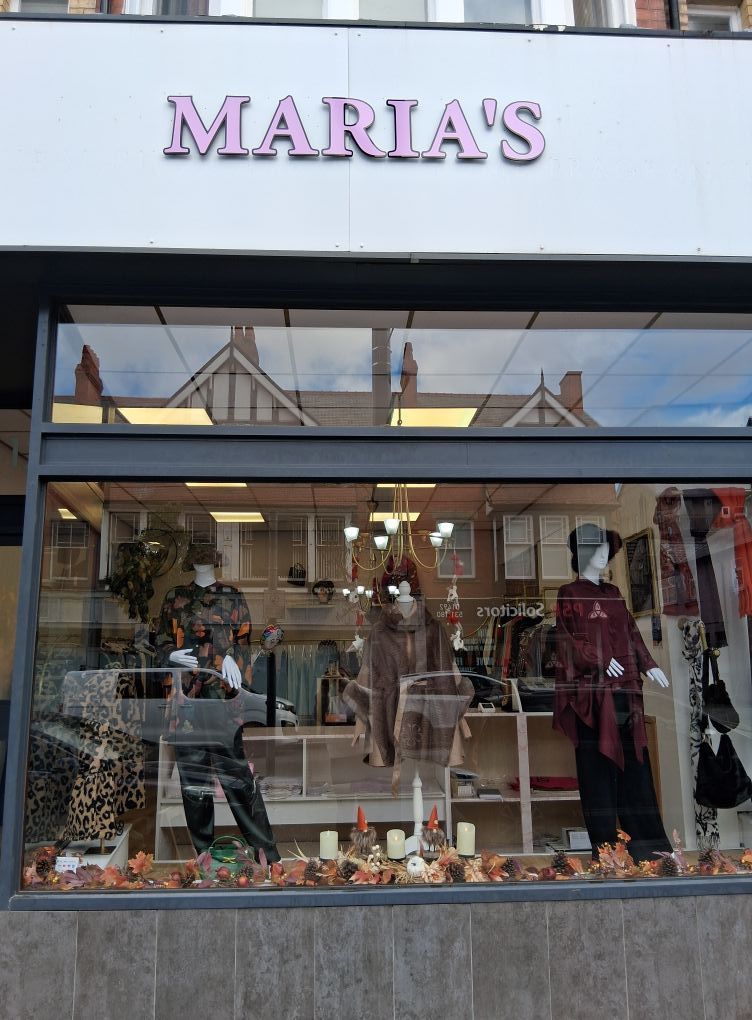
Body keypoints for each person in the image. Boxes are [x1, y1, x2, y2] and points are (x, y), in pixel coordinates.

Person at [553, 524, 671, 863]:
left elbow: (631, 631)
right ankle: (605, 852)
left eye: (608, 549)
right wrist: (599, 661)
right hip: (593, 699)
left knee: (636, 769)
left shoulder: (615, 593)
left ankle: (652, 852)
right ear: (584, 553)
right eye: (598, 548)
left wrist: (649, 664)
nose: (605, 555)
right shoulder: (570, 594)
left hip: (626, 696)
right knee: (597, 774)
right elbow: (566, 641)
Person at [156, 544, 280, 863]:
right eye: (195, 553)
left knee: (238, 778)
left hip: (222, 701)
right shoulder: (174, 598)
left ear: (215, 559)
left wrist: (233, 660)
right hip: (185, 701)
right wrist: (169, 654)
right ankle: (204, 857)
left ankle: (266, 853)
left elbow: (243, 641)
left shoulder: (232, 596)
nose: (201, 560)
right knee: (194, 784)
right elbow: (159, 641)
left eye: (206, 553)